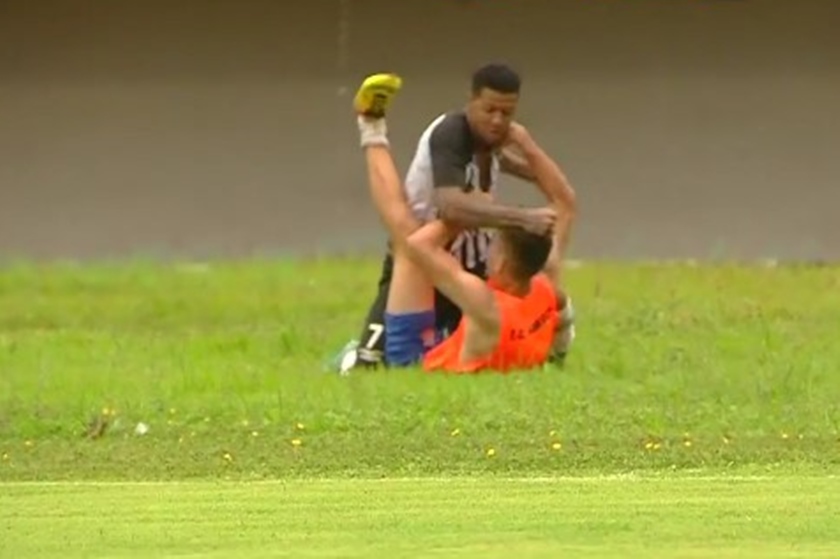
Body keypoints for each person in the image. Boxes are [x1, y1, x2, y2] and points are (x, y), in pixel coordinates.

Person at [332, 63, 577, 371]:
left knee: (412, 245)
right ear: (471, 101)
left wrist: (527, 146)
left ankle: (371, 125)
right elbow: (451, 207)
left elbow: (560, 196)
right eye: (490, 110)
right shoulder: (450, 134)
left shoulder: (490, 297)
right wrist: (519, 218)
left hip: (446, 260)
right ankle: (372, 123)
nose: (498, 121)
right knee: (408, 235)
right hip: (430, 260)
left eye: (507, 114)